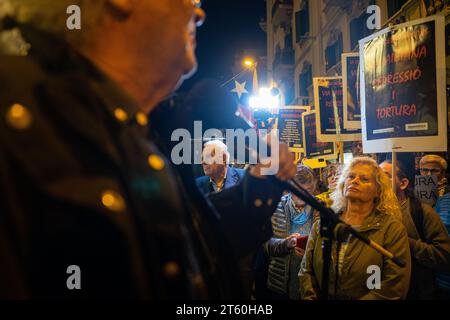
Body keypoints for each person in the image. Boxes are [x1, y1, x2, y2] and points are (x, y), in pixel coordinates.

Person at [0, 0, 297, 299]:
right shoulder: (19, 111)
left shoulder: (131, 127)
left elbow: (181, 251)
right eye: (190, 0)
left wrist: (260, 186)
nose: (199, 14)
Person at [299, 157, 411, 300]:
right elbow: (306, 271)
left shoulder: (391, 229)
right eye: (351, 176)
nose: (355, 181)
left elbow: (393, 285)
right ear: (343, 184)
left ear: (378, 190)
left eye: (364, 179)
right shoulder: (324, 223)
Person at [380, 160, 450, 299]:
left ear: (403, 183)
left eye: (385, 175)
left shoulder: (422, 211)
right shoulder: (372, 213)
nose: (378, 180)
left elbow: (443, 255)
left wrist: (404, 242)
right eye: (376, 175)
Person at [266, 165, 318, 300]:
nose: (303, 195)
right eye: (297, 190)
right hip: (281, 283)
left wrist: (311, 250)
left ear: (313, 189)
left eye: (307, 190)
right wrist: (286, 243)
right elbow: (266, 246)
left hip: (313, 284)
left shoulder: (321, 208)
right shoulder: (275, 206)